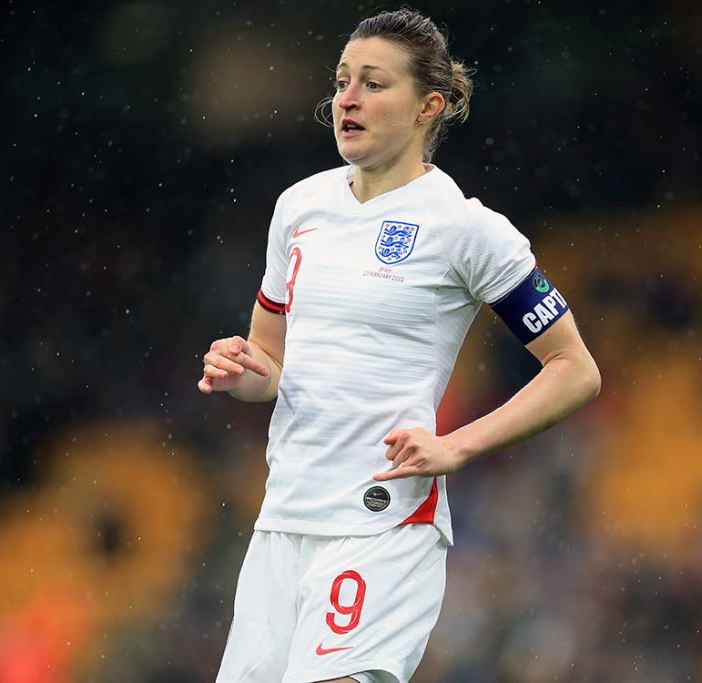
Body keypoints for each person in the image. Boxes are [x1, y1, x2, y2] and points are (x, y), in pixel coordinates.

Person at [199, 8, 601, 683]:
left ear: (428, 106)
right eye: (341, 81)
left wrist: (458, 445)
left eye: (374, 84)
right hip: (283, 522)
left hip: (382, 521)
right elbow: (270, 361)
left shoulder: (466, 228)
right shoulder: (299, 207)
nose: (346, 99)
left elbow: (575, 369)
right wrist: (242, 370)